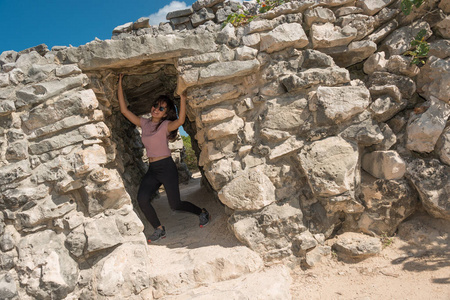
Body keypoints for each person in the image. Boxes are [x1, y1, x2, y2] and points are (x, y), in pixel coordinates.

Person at [117, 74, 210, 243]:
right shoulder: (143, 123)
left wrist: (182, 97)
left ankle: (202, 212)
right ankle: (159, 229)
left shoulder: (166, 126)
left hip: (166, 167)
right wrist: (120, 83)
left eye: (161, 108)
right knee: (142, 199)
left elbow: (181, 119)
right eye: (155, 106)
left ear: (166, 113)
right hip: (152, 170)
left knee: (175, 204)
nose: (156, 109)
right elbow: (124, 111)